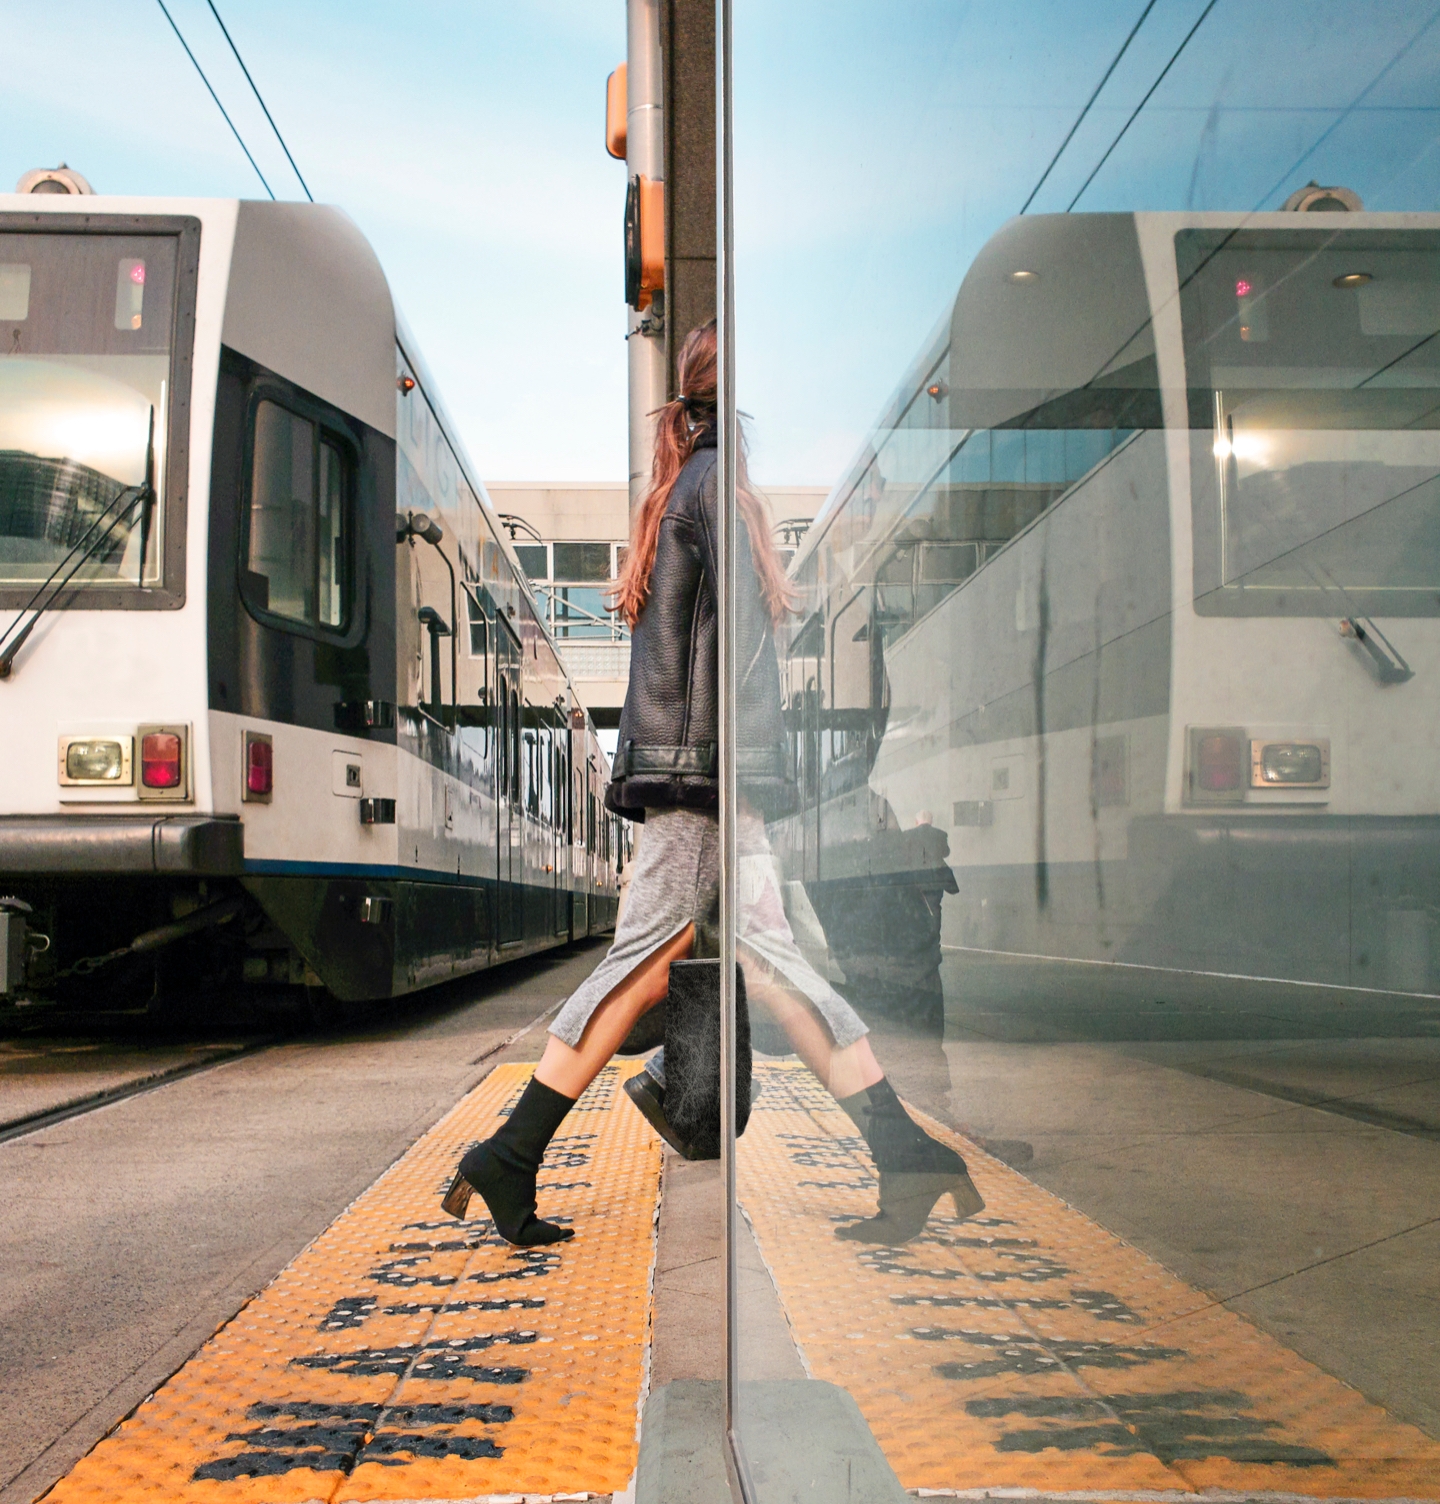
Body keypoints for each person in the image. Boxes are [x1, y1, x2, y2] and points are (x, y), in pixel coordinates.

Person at [442, 321, 982, 1248]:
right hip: (707, 784)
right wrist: (746, 777)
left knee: (729, 965)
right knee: (708, 964)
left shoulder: (685, 490)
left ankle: (513, 1154)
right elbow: (734, 650)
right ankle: (902, 1154)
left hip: (701, 784)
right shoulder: (713, 493)